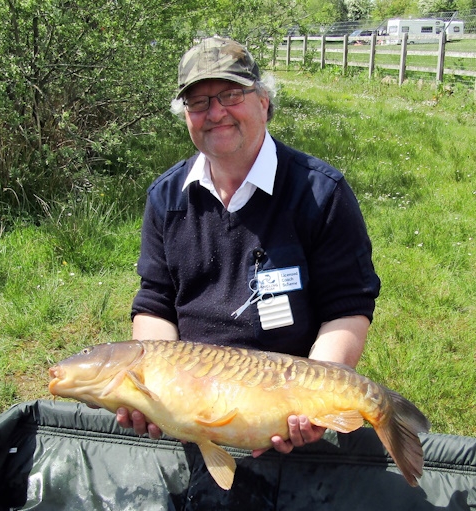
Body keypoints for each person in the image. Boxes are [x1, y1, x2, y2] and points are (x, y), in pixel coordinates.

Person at [116, 36, 380, 456]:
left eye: (230, 94)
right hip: (194, 400)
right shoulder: (166, 198)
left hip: (285, 400)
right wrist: (150, 384)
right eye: (198, 102)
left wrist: (316, 400)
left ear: (264, 101)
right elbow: (155, 302)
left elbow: (347, 307)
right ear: (186, 116)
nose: (215, 113)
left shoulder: (321, 192)